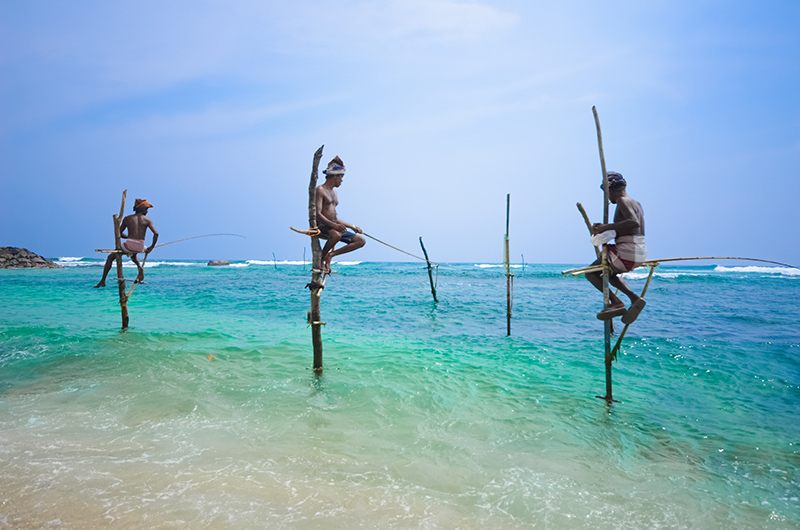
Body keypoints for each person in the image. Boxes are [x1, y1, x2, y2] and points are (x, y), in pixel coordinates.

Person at [585, 172, 647, 324]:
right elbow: (627, 227)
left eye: (606, 193)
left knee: (591, 273)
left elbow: (633, 222)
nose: (607, 198)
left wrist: (607, 226)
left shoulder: (622, 201)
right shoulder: (635, 203)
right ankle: (634, 298)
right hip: (639, 252)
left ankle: (616, 302)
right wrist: (604, 228)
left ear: (611, 190)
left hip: (627, 252)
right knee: (608, 275)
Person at [315, 156, 365, 273]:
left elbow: (334, 218)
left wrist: (352, 226)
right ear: (335, 176)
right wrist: (333, 226)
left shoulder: (335, 193)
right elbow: (317, 214)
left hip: (334, 227)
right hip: (321, 226)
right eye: (341, 177)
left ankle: (330, 255)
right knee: (336, 235)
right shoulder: (320, 190)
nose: (342, 180)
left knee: (360, 240)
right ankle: (321, 259)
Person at [94, 199, 159, 287]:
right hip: (140, 245)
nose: (147, 211)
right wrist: (151, 247)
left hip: (129, 244)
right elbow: (156, 233)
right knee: (133, 255)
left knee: (110, 257)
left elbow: (119, 233)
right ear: (142, 209)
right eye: (146, 209)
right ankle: (139, 267)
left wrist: (128, 237)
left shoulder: (127, 218)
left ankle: (102, 281)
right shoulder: (148, 220)